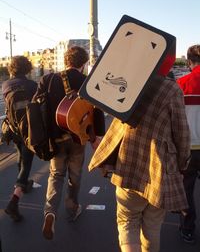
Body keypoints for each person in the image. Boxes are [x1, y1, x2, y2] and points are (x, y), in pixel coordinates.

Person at [88, 74, 191, 252]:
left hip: (128, 164)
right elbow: (182, 134)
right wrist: (182, 164)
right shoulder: (172, 89)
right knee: (152, 227)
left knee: (127, 220)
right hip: (159, 170)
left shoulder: (131, 82)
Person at [35, 46, 105, 240]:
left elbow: (37, 107)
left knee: (56, 175)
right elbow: (96, 110)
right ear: (83, 64)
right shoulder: (86, 82)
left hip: (54, 139)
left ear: (66, 61)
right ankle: (72, 209)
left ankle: (50, 212)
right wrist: (95, 137)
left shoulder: (47, 79)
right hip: (77, 138)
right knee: (74, 176)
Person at [2, 56, 37, 222]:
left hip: (13, 130)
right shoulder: (32, 85)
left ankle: (23, 182)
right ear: (27, 68)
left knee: (20, 156)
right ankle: (14, 201)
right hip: (30, 131)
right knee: (27, 163)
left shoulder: (6, 85)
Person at [177, 44, 200, 244]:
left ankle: (187, 228)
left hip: (190, 148)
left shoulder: (182, 83)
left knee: (187, 189)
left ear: (189, 62)